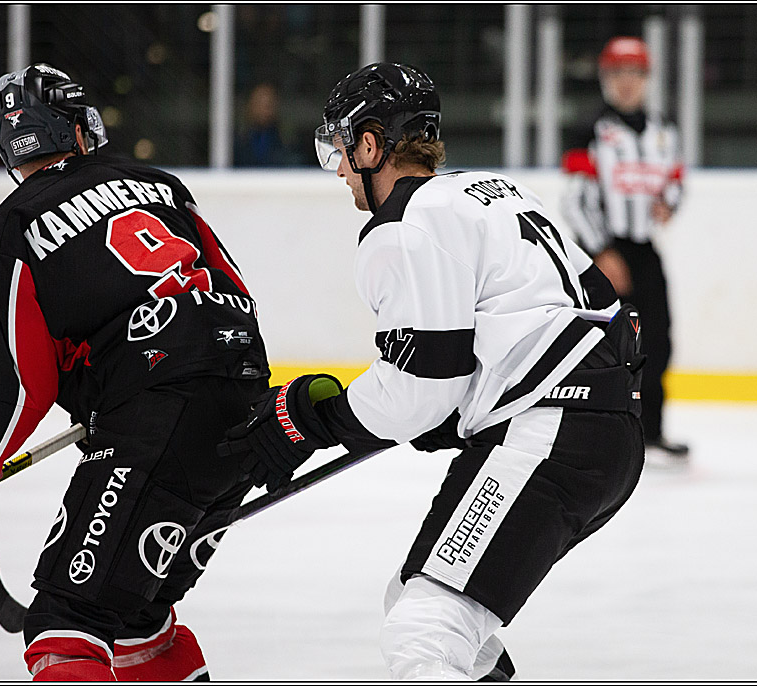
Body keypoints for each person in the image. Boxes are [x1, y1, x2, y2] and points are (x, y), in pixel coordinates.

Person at [218, 63, 646, 680]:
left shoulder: (402, 226)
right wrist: (459, 410)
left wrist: (312, 420)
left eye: (340, 147)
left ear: (371, 144)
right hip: (600, 427)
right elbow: (569, 310)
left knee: (425, 630)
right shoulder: (487, 190)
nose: (338, 167)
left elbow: (418, 390)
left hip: (551, 433)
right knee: (428, 605)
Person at [0, 63, 271, 681]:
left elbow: (18, 386)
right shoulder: (162, 185)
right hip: (245, 406)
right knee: (135, 614)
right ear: (79, 126)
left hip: (157, 414)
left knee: (65, 625)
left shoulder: (8, 231)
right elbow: (234, 297)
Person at [560, 36, 690, 465]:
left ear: (646, 78)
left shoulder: (662, 130)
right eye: (618, 73)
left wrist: (668, 202)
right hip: (603, 250)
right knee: (608, 348)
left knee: (658, 339)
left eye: (634, 73)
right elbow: (575, 200)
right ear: (605, 78)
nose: (626, 83)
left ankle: (651, 431)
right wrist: (600, 251)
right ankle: (603, 435)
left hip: (644, 249)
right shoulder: (590, 129)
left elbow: (675, 180)